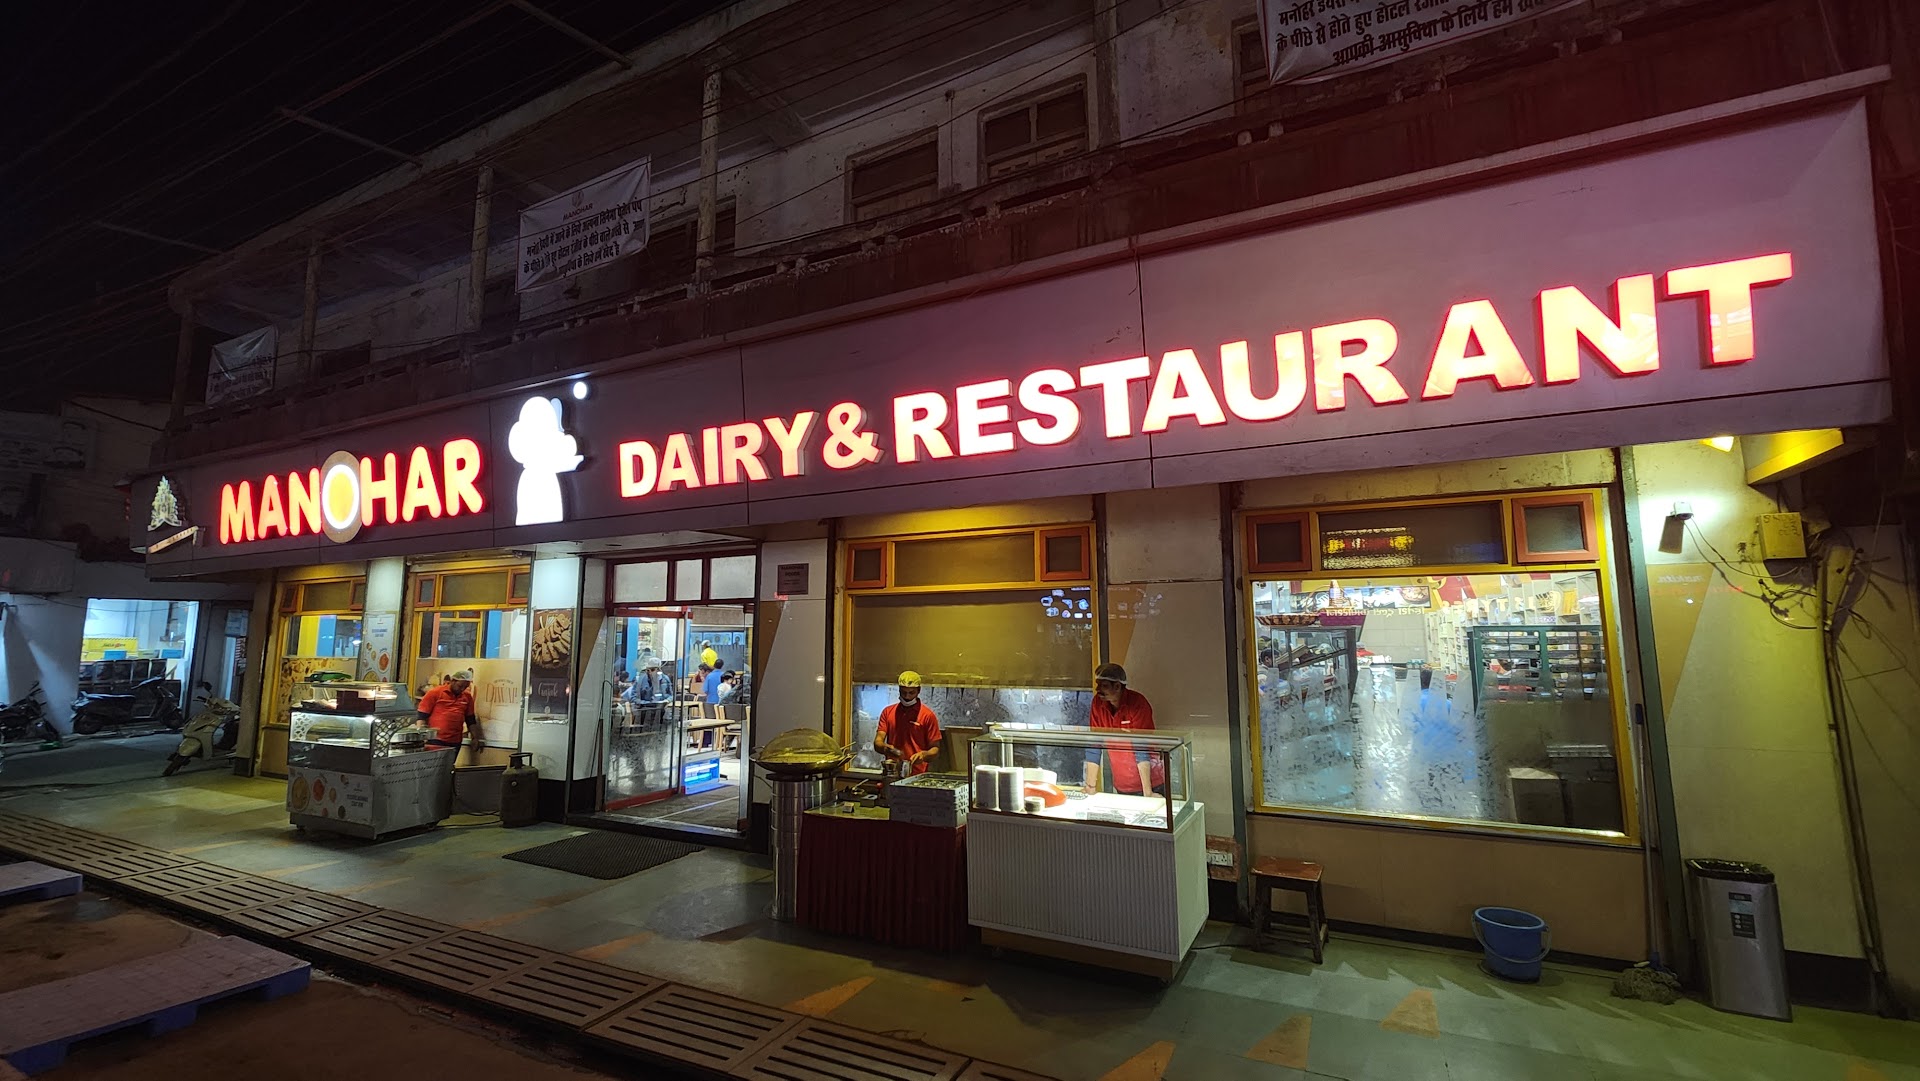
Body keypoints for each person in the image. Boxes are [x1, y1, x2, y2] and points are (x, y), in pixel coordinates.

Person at [1084, 662, 1160, 796]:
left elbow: (1141, 747)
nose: (1098, 689)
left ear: (1118, 686)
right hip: (1122, 783)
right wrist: (1090, 786)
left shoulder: (1138, 703)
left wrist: (1148, 792)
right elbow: (1094, 744)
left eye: (1104, 686)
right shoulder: (1097, 703)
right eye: (1098, 684)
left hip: (1152, 783)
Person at [874, 670, 941, 776]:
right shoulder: (888, 712)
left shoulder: (927, 715)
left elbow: (935, 749)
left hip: (917, 774)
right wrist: (886, 748)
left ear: (919, 690)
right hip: (892, 772)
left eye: (911, 693)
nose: (907, 697)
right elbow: (878, 741)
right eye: (903, 692)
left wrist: (923, 755)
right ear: (899, 690)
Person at [417, 668, 483, 763]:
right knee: (433, 767)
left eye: (465, 687)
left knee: (448, 767)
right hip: (435, 740)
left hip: (455, 741)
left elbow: (470, 719)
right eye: (460, 686)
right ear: (453, 681)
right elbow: (422, 716)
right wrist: (421, 738)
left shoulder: (467, 697)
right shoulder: (435, 693)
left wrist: (475, 738)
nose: (462, 689)